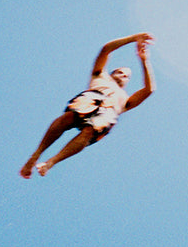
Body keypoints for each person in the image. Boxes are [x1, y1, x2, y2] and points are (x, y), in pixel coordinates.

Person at [21, 32, 154, 178]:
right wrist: (133, 38)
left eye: (127, 76)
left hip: (109, 111)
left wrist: (144, 61)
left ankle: (50, 163)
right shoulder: (100, 76)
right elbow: (106, 49)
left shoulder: (126, 100)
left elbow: (149, 90)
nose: (123, 75)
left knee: (90, 132)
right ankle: (36, 155)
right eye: (120, 72)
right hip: (93, 97)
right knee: (69, 117)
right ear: (112, 73)